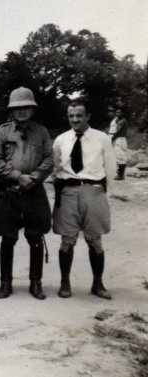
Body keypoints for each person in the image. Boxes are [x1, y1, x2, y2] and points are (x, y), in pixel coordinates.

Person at [0, 87, 53, 300]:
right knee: (7, 239)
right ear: (11, 110)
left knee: (35, 237)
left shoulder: (42, 132)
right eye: (17, 108)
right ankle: (6, 283)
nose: (22, 111)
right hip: (10, 192)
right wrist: (18, 176)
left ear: (32, 109)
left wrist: (34, 177)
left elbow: (48, 160)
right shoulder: (3, 132)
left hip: (34, 193)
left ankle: (36, 283)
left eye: (26, 107)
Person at [53, 98, 116, 299]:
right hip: (69, 191)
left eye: (79, 115)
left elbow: (111, 169)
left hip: (93, 190)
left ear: (88, 116)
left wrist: (107, 196)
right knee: (67, 240)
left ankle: (98, 284)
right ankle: (65, 283)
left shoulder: (102, 139)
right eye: (71, 116)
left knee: (95, 240)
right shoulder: (61, 140)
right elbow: (55, 169)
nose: (75, 119)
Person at [108, 107, 129, 180]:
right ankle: (120, 174)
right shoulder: (119, 120)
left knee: (121, 157)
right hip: (118, 139)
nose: (118, 114)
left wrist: (112, 139)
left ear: (123, 113)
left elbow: (119, 132)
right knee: (117, 156)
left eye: (119, 112)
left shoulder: (123, 121)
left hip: (120, 139)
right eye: (117, 112)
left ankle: (121, 175)